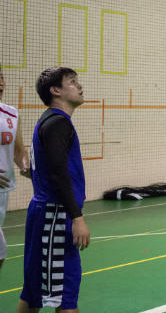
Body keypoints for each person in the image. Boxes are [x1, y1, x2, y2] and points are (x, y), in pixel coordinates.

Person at [17, 67, 90, 313]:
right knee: (64, 295)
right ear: (55, 90)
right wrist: (77, 217)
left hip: (47, 214)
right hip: (54, 217)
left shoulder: (49, 120)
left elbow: (50, 167)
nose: (79, 86)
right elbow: (59, 174)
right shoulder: (58, 123)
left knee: (35, 292)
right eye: (72, 82)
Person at [0, 70, 31, 269]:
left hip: (3, 191)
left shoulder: (11, 113)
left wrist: (27, 166)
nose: (0, 83)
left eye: (1, 77)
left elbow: (19, 150)